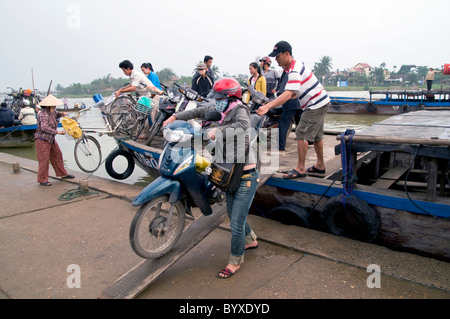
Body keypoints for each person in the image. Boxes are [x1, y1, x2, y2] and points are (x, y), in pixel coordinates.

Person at [162, 78, 259, 279]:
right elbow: (198, 110)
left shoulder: (240, 110)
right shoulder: (222, 107)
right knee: (234, 216)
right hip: (229, 170)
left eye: (221, 98)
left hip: (245, 176)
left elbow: (243, 127)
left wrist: (219, 130)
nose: (217, 102)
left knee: (235, 223)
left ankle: (235, 261)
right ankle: (251, 240)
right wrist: (175, 117)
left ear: (231, 97)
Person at [257, 41, 330, 178]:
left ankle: (300, 168)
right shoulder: (289, 68)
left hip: (315, 104)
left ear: (287, 54)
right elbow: (292, 93)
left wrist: (268, 106)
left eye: (277, 56)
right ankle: (320, 165)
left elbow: (290, 93)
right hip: (319, 102)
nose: (275, 60)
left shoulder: (295, 69)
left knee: (301, 132)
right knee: (318, 136)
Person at [34, 94, 74, 186]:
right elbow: (44, 127)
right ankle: (42, 180)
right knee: (44, 160)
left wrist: (62, 114)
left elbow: (57, 114)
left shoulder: (52, 112)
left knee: (57, 155)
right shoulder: (43, 114)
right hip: (42, 139)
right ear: (49, 105)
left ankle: (63, 174)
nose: (55, 106)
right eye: (54, 105)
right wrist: (57, 132)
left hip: (50, 139)